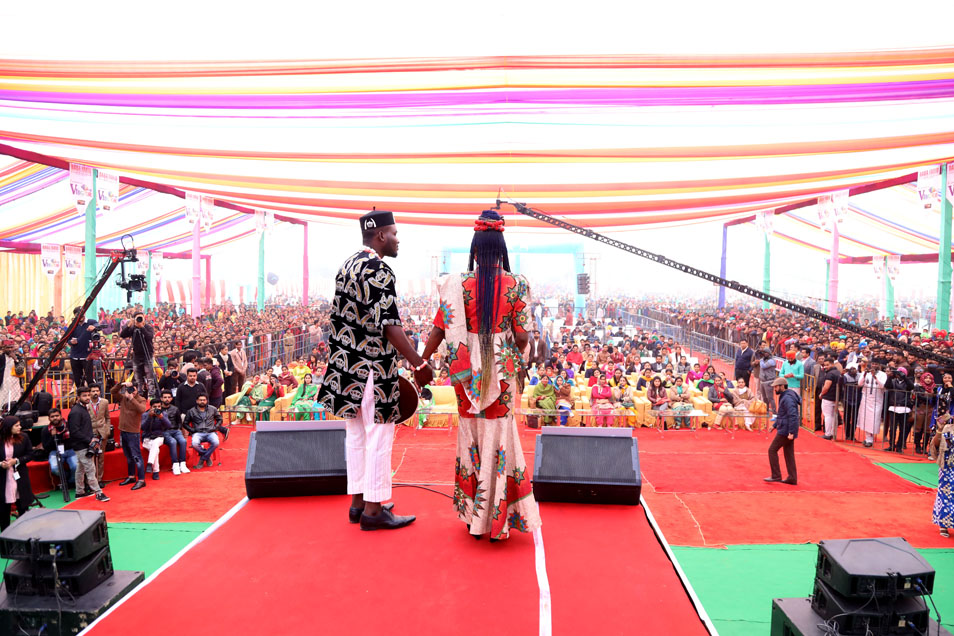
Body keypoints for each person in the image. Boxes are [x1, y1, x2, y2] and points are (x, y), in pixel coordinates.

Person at [421, 208, 540, 541]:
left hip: (465, 374)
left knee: (470, 436)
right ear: (502, 249)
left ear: (474, 249)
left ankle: (473, 518)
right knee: (499, 438)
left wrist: (421, 361)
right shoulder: (517, 284)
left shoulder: (455, 284)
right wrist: (517, 356)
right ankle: (496, 522)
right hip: (501, 371)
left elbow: (439, 329)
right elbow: (522, 336)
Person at [316, 209, 432, 531]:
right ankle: (374, 510)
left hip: (345, 368)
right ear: (380, 235)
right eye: (394, 233)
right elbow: (390, 326)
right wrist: (419, 363)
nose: (397, 240)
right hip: (372, 368)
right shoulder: (379, 270)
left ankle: (358, 503)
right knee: (379, 436)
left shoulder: (347, 264)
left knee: (355, 437)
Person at [67, 386, 109, 501]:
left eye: (88, 395)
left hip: (84, 443)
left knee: (80, 469)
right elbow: (74, 431)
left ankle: (79, 492)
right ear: (78, 397)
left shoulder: (83, 408)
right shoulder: (76, 411)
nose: (87, 397)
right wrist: (89, 440)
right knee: (90, 469)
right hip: (81, 445)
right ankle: (98, 493)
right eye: (84, 396)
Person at [112, 381, 149, 490]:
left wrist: (132, 398)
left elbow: (142, 409)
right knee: (128, 456)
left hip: (133, 432)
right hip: (123, 430)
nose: (131, 391)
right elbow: (113, 392)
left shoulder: (141, 399)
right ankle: (131, 476)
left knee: (136, 456)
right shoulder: (123, 398)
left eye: (133, 389)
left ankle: (141, 480)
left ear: (137, 390)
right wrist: (121, 384)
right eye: (130, 389)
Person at [0, 415, 34, 531]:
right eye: (17, 425)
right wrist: (1, 464)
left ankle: (25, 534)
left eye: (19, 425)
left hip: (20, 476)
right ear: (9, 427)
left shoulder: (24, 437)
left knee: (23, 506)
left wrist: (16, 461)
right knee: (4, 509)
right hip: (3, 478)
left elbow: (30, 454)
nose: (20, 427)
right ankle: (5, 535)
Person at [765, 377, 799, 486]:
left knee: (772, 450)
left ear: (782, 386)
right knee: (789, 454)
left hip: (786, 430)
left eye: (776, 387)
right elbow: (782, 415)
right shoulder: (785, 396)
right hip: (786, 428)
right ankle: (792, 478)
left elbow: (793, 415)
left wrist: (791, 432)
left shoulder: (787, 398)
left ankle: (776, 475)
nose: (774, 389)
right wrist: (774, 425)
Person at [119, 311, 157, 398]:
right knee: (138, 377)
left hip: (147, 354)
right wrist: (129, 325)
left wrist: (142, 327)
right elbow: (122, 335)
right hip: (136, 356)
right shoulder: (133, 328)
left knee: (149, 377)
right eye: (138, 318)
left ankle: (151, 395)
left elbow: (149, 337)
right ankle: (139, 395)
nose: (140, 320)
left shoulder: (148, 327)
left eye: (141, 317)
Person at [184, 393, 223, 469]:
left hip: (210, 432)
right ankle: (207, 456)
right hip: (198, 433)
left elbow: (220, 419)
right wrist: (193, 430)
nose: (202, 401)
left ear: (207, 401)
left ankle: (203, 458)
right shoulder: (191, 411)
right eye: (200, 400)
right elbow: (185, 423)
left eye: (204, 400)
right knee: (194, 443)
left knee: (216, 442)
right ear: (197, 401)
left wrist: (215, 428)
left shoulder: (213, 409)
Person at [42, 408, 76, 487]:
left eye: (57, 416)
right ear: (49, 418)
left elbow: (75, 439)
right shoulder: (45, 430)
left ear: (61, 416)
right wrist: (53, 436)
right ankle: (67, 477)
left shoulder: (69, 426)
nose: (55, 418)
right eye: (52, 416)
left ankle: (70, 482)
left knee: (76, 466)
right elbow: (46, 447)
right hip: (55, 451)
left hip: (70, 450)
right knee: (54, 469)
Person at [159, 389, 190, 475]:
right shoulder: (158, 409)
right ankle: (175, 464)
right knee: (173, 442)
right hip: (164, 431)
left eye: (169, 397)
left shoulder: (175, 409)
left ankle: (183, 463)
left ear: (172, 398)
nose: (167, 399)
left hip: (175, 430)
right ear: (161, 398)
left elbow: (179, 422)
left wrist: (179, 429)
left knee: (183, 441)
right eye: (165, 397)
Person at [857, 362, 887, 448]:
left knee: (873, 419)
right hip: (866, 399)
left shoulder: (883, 374)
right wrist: (865, 374)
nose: (874, 365)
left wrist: (875, 377)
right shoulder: (866, 373)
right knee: (866, 419)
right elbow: (860, 384)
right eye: (873, 364)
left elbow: (882, 386)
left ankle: (870, 439)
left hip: (877, 400)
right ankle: (868, 438)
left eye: (876, 364)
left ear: (879, 365)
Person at [933, 416, 954, 537]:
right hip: (947, 468)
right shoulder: (947, 428)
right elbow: (935, 445)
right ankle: (943, 524)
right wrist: (939, 430)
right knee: (945, 495)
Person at [885, 366, 914, 452]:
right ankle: (891, 445)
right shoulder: (893, 381)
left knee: (902, 428)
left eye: (901, 373)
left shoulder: (907, 382)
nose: (899, 375)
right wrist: (890, 376)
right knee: (892, 428)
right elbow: (887, 386)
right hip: (893, 407)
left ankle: (899, 446)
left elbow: (911, 386)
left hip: (904, 408)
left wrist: (904, 377)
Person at [141, 398, 171, 480]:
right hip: (147, 438)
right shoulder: (145, 415)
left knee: (155, 444)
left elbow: (169, 426)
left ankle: (150, 463)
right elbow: (142, 428)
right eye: (155, 407)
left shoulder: (163, 414)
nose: (157, 408)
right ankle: (156, 471)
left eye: (159, 406)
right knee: (155, 449)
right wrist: (149, 417)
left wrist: (162, 418)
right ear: (150, 407)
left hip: (159, 437)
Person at [87, 384, 110, 482]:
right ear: (89, 393)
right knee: (90, 458)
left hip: (102, 433)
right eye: (93, 391)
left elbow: (107, 417)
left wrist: (107, 430)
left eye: (97, 391)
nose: (95, 393)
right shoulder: (86, 403)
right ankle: (90, 480)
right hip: (90, 433)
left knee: (101, 458)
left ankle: (99, 479)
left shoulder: (104, 402)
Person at [818, 357, 841, 440]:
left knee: (828, 415)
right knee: (834, 416)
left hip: (828, 397)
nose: (826, 367)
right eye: (825, 365)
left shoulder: (830, 374)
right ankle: (833, 433)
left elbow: (826, 386)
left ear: (832, 364)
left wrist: (821, 393)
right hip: (836, 397)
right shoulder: (838, 372)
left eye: (827, 365)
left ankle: (828, 433)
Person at [757, 349, 778, 416]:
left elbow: (763, 366)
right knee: (764, 398)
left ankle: (774, 413)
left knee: (770, 398)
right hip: (762, 381)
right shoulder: (763, 360)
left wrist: (760, 359)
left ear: (769, 353)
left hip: (769, 381)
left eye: (765, 353)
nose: (764, 354)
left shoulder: (772, 361)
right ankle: (766, 411)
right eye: (763, 353)